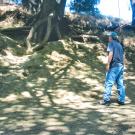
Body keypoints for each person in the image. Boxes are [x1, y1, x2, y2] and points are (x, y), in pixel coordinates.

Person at [100, 32, 126, 105]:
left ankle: (106, 100)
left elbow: (111, 54)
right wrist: (123, 65)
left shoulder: (111, 43)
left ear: (111, 37)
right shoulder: (119, 45)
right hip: (120, 66)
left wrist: (108, 64)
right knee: (120, 83)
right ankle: (122, 100)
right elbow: (123, 56)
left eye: (109, 36)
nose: (108, 38)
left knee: (109, 82)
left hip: (114, 66)